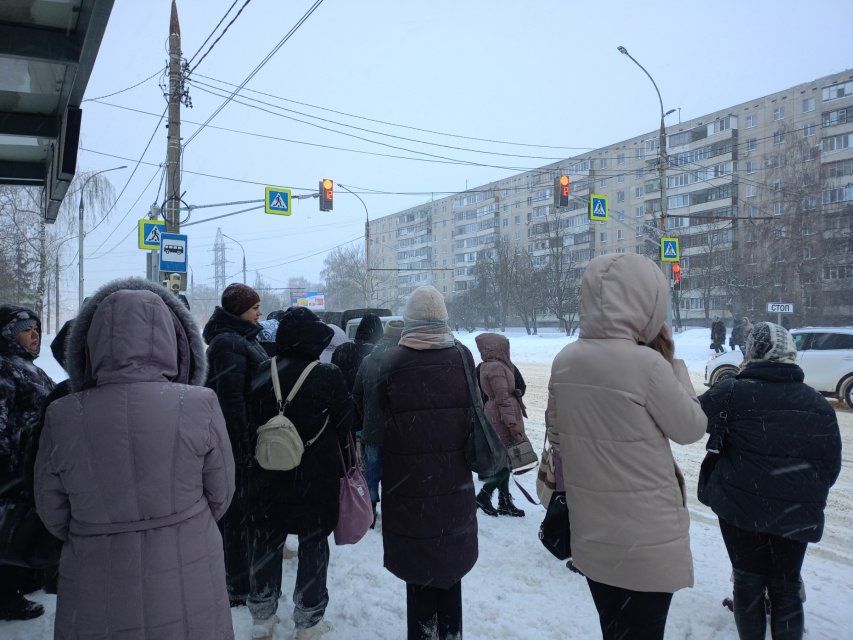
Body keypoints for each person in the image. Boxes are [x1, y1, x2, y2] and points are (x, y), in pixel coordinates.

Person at [34, 279, 235, 640]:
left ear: (89, 343)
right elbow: (220, 494)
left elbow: (52, 510)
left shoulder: (63, 415)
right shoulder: (198, 404)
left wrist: (101, 527)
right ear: (173, 339)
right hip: (186, 567)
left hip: (96, 577)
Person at [546, 254, 707, 640]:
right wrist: (676, 368)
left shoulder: (565, 360)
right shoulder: (649, 366)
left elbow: (556, 433)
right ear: (647, 302)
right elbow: (691, 427)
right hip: (646, 543)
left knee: (613, 630)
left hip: (593, 538)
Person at [699, 322, 841, 640]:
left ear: (751, 353)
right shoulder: (818, 405)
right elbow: (830, 468)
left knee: (748, 584)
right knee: (786, 585)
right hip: (796, 515)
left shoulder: (732, 390)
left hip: (740, 511)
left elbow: (691, 419)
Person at [246, 307, 353, 640]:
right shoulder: (328, 375)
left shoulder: (263, 371)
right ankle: (308, 620)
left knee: (265, 541)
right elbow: (348, 422)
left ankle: (262, 618)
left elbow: (249, 422)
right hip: (314, 479)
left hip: (268, 475)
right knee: (313, 544)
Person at [378, 285, 478, 640]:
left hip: (409, 487)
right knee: (450, 568)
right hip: (455, 483)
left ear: (410, 321)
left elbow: (376, 430)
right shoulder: (463, 357)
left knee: (419, 571)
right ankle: (452, 633)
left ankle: (423, 633)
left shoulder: (392, 362)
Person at [203, 283, 269, 607]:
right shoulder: (228, 343)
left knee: (243, 515)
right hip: (237, 444)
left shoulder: (240, 338)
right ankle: (236, 584)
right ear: (239, 309)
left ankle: (241, 577)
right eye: (255, 307)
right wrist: (241, 450)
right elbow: (231, 402)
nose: (260, 312)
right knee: (236, 516)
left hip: (246, 440)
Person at [0, 305, 56, 621]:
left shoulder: (24, 366)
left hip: (31, 464)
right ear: (8, 334)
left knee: (22, 526)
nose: (34, 335)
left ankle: (21, 579)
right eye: (26, 329)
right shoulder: (5, 370)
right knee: (10, 527)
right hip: (13, 468)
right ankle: (6, 595)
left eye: (36, 329)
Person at [352, 319, 404, 527]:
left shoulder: (368, 360)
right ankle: (393, 511)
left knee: (372, 471)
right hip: (401, 431)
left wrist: (368, 414)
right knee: (397, 473)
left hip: (372, 429)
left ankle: (371, 509)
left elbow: (356, 393)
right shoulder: (407, 359)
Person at [474, 332, 527, 518]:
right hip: (501, 419)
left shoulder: (488, 365)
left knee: (505, 461)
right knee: (505, 462)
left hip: (497, 416)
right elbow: (502, 398)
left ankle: (504, 502)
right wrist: (512, 424)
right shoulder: (497, 367)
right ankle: (484, 495)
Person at [331, 314, 383, 391]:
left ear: (359, 329)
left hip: (341, 397)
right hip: (364, 400)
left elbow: (332, 376)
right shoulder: (377, 353)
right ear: (379, 333)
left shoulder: (341, 350)